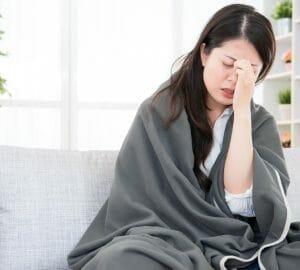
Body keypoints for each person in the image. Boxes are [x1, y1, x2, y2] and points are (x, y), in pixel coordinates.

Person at [67, 4, 300, 270]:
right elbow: (135, 206)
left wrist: (242, 112)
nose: (234, 79)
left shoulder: (260, 124)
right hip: (165, 240)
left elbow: (239, 199)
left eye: (249, 72)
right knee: (122, 258)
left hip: (236, 242)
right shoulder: (157, 111)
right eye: (227, 63)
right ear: (204, 53)